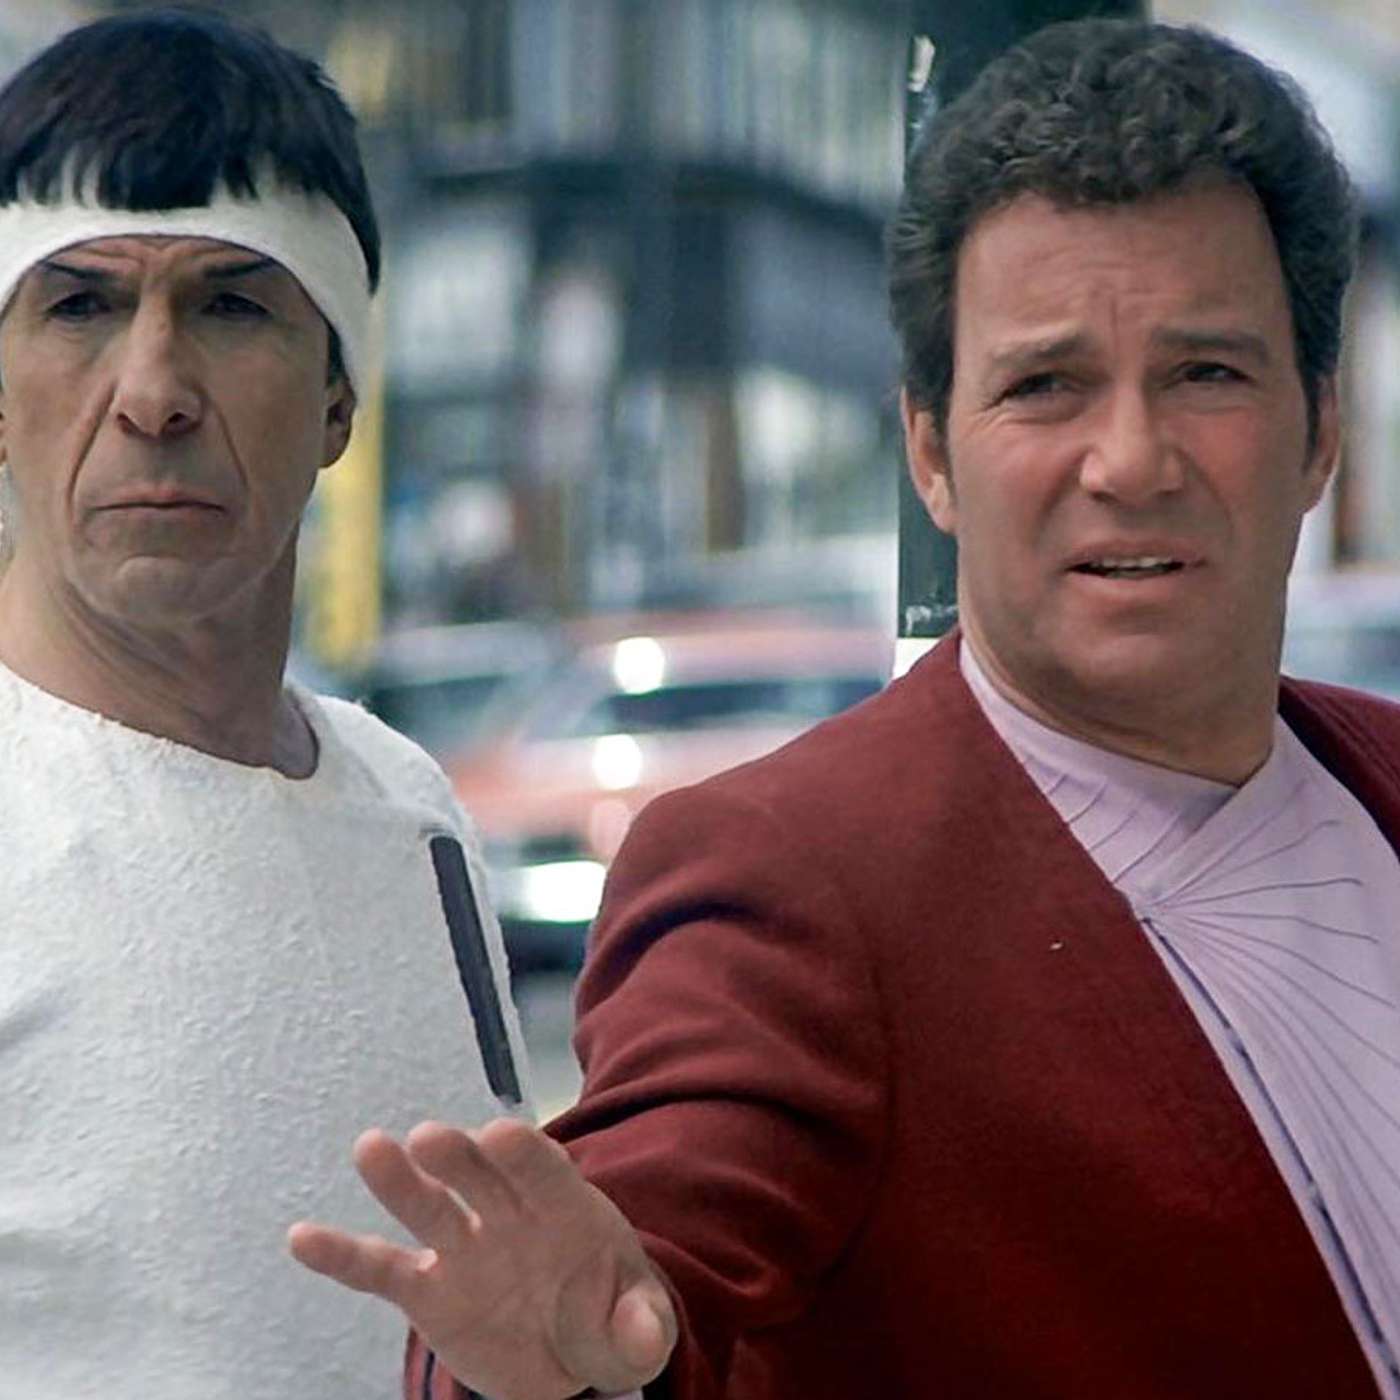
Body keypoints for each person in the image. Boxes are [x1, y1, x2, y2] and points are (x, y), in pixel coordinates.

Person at [292, 16, 1400, 1399]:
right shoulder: (792, 879)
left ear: (1321, 430)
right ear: (931, 453)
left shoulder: (1380, 780)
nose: (1130, 459)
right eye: (1045, 386)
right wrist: (573, 1347)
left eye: (1206, 373)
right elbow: (654, 1247)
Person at [0, 11, 529, 1400]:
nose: (153, 393)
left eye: (233, 307)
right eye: (79, 306)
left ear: (341, 397)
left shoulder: (411, 813)